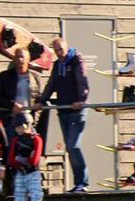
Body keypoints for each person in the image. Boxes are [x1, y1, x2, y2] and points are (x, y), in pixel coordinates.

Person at [34, 38, 90, 192]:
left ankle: (82, 183)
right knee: (69, 148)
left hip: (76, 111)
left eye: (61, 49)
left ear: (66, 47)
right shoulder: (58, 64)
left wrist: (81, 99)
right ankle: (79, 183)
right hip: (64, 110)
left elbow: (82, 80)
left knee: (73, 145)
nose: (59, 53)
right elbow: (52, 83)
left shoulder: (75, 60)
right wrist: (42, 100)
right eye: (56, 50)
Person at [7, 112, 61, 201]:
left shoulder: (36, 139)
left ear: (27, 125)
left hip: (33, 174)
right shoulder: (15, 140)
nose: (17, 129)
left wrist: (20, 159)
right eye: (16, 127)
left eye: (19, 126)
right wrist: (23, 158)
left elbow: (34, 160)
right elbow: (10, 160)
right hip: (20, 174)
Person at [0, 47, 43, 139]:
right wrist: (12, 105)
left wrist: (36, 114)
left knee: (27, 148)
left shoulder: (36, 77)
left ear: (28, 59)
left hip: (28, 119)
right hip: (10, 118)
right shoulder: (4, 76)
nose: (20, 59)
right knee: (10, 148)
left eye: (22, 57)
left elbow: (39, 99)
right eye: (17, 57)